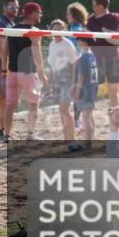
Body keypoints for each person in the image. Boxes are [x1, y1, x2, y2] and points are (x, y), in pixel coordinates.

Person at [1, 2, 47, 141]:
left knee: (10, 105)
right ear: (32, 13)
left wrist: (4, 70)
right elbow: (37, 54)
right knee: (33, 103)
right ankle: (30, 134)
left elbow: (4, 51)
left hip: (12, 73)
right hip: (28, 72)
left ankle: (6, 135)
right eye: (39, 13)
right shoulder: (34, 31)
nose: (40, 15)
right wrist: (42, 73)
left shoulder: (11, 29)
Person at [86, 0, 119, 116]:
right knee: (92, 89)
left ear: (102, 6)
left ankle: (116, 115)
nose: (93, 8)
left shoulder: (113, 17)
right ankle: (88, 116)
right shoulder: (90, 19)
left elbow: (114, 41)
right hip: (96, 58)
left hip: (112, 58)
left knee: (113, 90)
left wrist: (102, 30)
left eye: (94, 5)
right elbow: (86, 38)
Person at [0, 0, 18, 142]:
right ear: (4, 8)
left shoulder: (12, 24)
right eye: (12, 7)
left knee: (6, 96)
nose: (15, 9)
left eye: (16, 7)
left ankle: (4, 128)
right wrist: (5, 69)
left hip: (6, 61)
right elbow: (1, 48)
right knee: (1, 94)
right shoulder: (0, 22)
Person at [47, 19, 78, 148]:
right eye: (55, 29)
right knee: (61, 110)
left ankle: (72, 139)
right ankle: (66, 137)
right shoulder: (51, 44)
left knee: (64, 109)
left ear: (64, 30)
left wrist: (74, 82)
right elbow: (51, 64)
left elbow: (75, 63)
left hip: (67, 79)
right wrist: (49, 81)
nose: (57, 31)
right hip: (57, 80)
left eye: (60, 29)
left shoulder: (68, 44)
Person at [71, 35, 98, 148]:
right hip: (92, 88)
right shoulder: (92, 55)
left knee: (86, 116)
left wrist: (76, 92)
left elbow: (81, 77)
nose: (78, 43)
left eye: (79, 41)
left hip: (85, 90)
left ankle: (88, 142)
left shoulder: (83, 58)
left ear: (84, 43)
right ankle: (90, 138)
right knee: (89, 115)